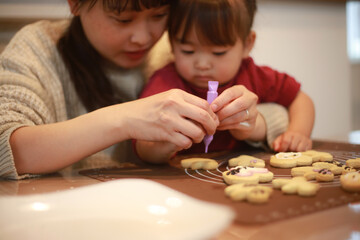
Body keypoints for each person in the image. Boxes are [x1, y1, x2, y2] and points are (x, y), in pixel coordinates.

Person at [0, 0, 267, 180]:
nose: (143, 38)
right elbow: (6, 145)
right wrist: (124, 120)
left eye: (159, 15)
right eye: (123, 19)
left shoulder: (173, 54)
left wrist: (255, 119)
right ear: (75, 3)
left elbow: (275, 109)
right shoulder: (37, 49)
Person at [136, 0, 315, 163]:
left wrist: (297, 132)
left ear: (247, 44)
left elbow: (301, 100)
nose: (202, 64)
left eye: (218, 52)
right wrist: (167, 144)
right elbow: (142, 146)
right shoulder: (165, 83)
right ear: (172, 43)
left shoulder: (253, 74)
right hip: (183, 180)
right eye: (187, 51)